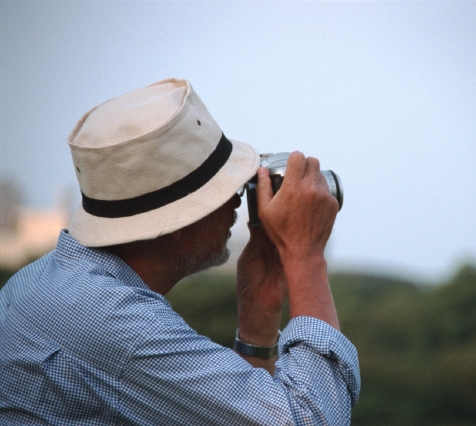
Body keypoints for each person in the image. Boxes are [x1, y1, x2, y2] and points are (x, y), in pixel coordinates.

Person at [0, 79, 360, 425]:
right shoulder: (122, 327)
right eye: (217, 186)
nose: (236, 195)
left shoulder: (39, 280)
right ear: (171, 223)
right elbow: (314, 419)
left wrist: (258, 315)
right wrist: (306, 258)